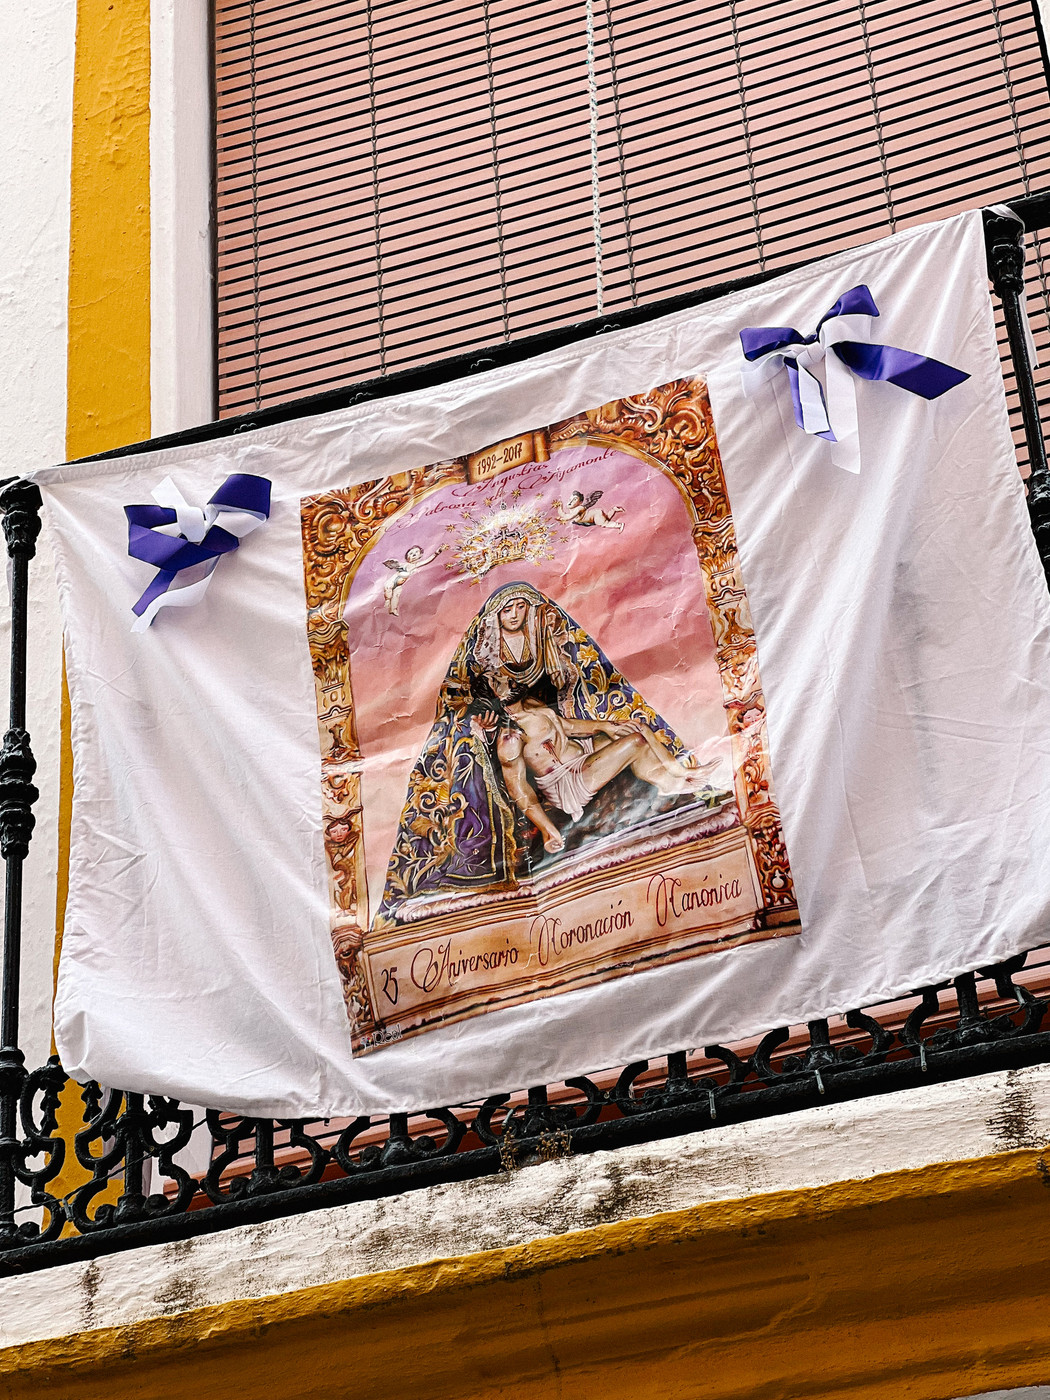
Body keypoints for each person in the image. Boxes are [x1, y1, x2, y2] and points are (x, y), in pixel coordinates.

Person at [475, 699, 721, 853]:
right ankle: (676, 779)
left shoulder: (530, 704)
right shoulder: (509, 738)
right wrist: (550, 831)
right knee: (636, 741)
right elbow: (521, 793)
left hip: (584, 755)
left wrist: (602, 726)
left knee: (635, 729)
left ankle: (674, 777)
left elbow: (567, 726)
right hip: (569, 782)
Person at [382, 543, 445, 616]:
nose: (414, 554)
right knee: (388, 588)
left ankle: (393, 609)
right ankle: (387, 600)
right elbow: (394, 565)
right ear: (407, 557)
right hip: (393, 581)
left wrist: (436, 553)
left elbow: (427, 561)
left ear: (420, 556)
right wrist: (391, 564)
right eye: (411, 553)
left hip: (399, 584)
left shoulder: (415, 565)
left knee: (396, 595)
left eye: (416, 552)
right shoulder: (403, 564)